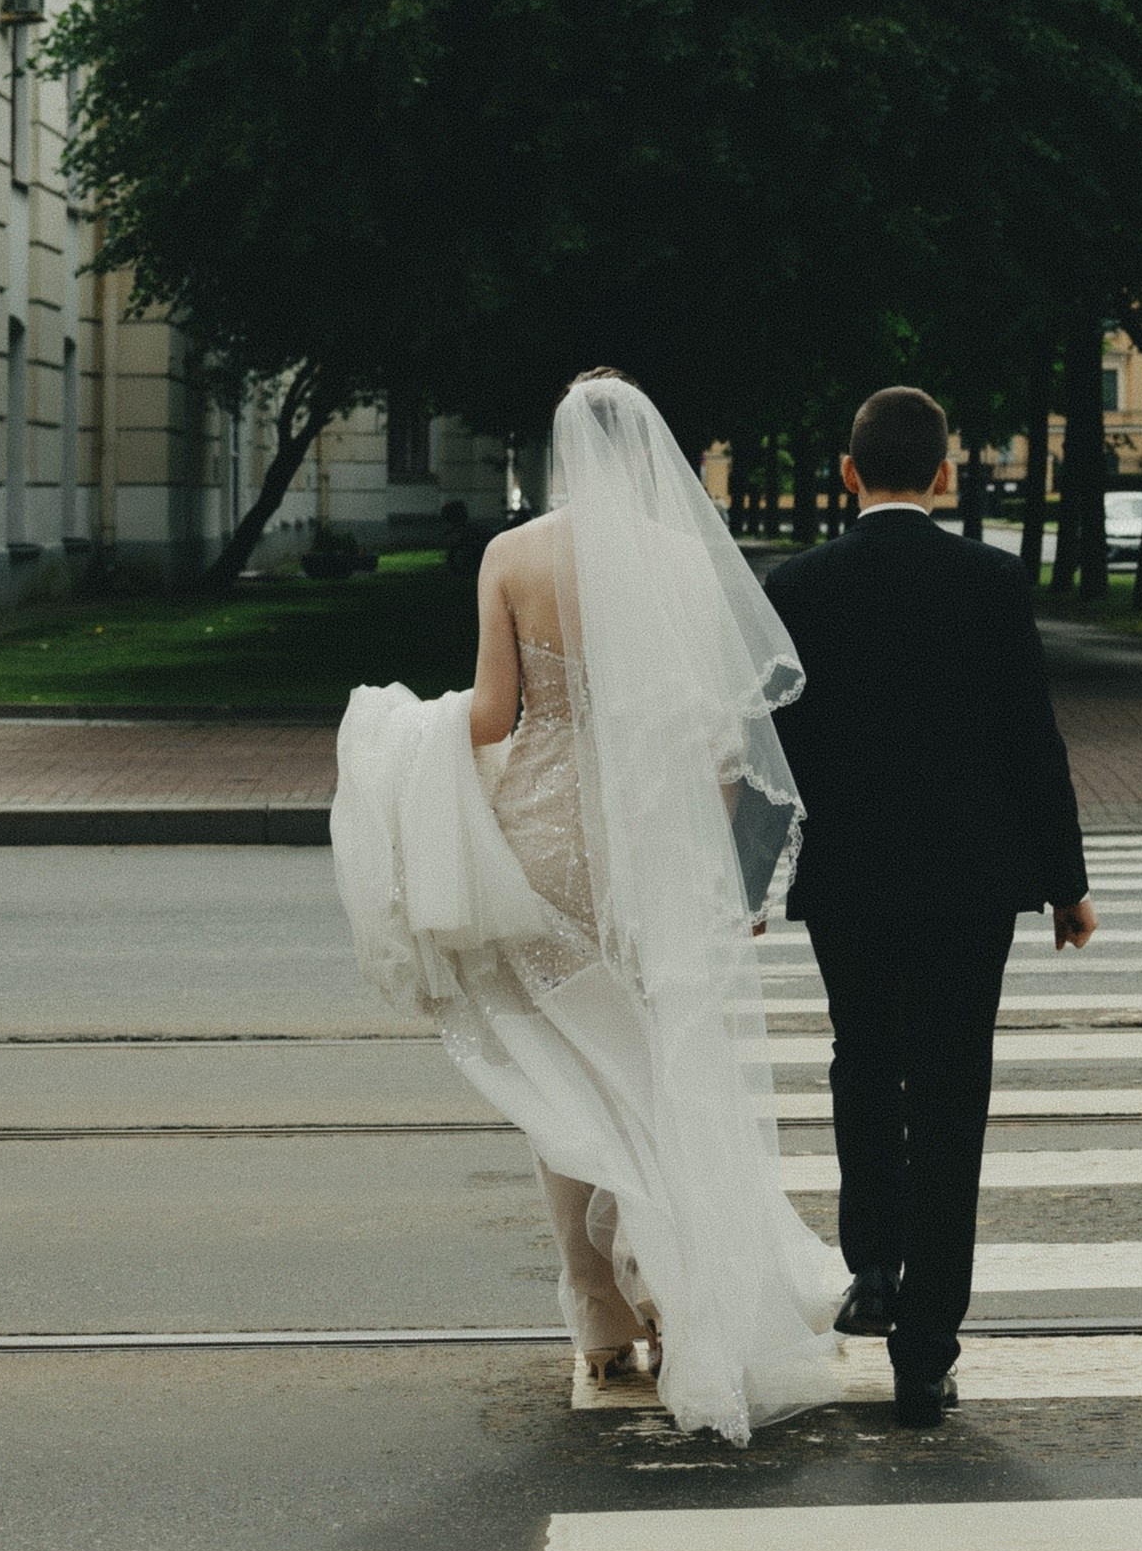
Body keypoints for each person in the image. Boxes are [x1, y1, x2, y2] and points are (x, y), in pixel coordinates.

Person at [332, 370, 841, 1443]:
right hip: (649, 846)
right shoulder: (681, 568)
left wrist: (398, 734)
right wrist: (723, 874)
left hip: (543, 843)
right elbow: (721, 743)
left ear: (563, 452)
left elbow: (494, 713)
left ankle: (597, 1314)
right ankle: (673, 1295)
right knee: (658, 1073)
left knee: (564, 1077)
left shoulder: (513, 557)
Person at [765, 384, 1095, 1428]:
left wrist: (748, 879)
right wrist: (1065, 882)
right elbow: (1029, 742)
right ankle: (926, 1350)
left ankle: (870, 1264)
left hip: (848, 882)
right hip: (969, 880)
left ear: (847, 475)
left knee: (861, 1060)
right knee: (951, 1096)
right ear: (945, 475)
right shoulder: (990, 583)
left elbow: (769, 750)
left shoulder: (797, 586)